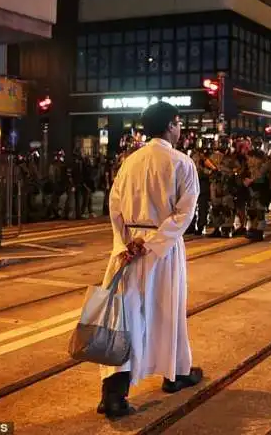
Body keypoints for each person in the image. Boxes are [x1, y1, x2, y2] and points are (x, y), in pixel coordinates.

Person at [98, 101, 202, 419]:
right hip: (163, 252)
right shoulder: (182, 163)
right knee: (167, 312)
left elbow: (114, 206)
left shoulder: (129, 163)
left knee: (123, 319)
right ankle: (174, 374)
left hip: (128, 250)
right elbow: (184, 213)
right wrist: (154, 244)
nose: (180, 129)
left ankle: (114, 394)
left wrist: (126, 243)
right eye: (179, 124)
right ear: (171, 125)